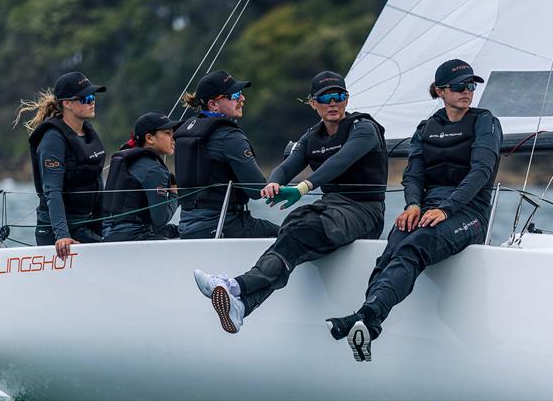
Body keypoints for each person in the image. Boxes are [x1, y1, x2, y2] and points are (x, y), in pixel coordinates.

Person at [325, 59, 502, 362]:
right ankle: (368, 323)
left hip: (469, 212)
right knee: (392, 249)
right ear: (440, 91)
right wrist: (413, 205)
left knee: (414, 245)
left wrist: (447, 209)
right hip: (429, 208)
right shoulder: (425, 128)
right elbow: (414, 175)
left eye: (471, 86)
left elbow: (481, 172)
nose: (467, 91)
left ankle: (366, 316)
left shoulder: (485, 122)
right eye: (459, 86)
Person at [193, 70, 388, 334]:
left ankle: (235, 285)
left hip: (365, 211)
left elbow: (340, 161)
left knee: (299, 233)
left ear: (347, 99)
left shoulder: (363, 128)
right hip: (331, 208)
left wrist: (304, 187)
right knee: (290, 231)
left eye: (339, 96)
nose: (333, 103)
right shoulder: (312, 136)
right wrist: (274, 183)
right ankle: (242, 306)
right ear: (313, 103)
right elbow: (287, 167)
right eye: (325, 98)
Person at [174, 70, 279, 239]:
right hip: (224, 225)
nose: (242, 98)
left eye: (241, 93)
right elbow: (256, 189)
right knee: (288, 234)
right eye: (234, 95)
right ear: (213, 105)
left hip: (187, 228)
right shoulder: (229, 135)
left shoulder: (185, 133)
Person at [15, 71, 107, 258]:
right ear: (67, 103)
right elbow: (52, 191)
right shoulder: (53, 139)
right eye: (86, 98)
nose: (92, 102)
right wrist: (62, 235)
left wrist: (104, 229)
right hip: (57, 233)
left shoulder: (89, 135)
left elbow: (98, 186)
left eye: (93, 97)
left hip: (84, 225)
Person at [101, 112, 181, 242]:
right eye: (167, 133)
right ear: (149, 138)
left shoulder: (130, 160)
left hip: (109, 233)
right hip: (133, 236)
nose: (173, 138)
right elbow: (160, 220)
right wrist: (174, 194)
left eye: (173, 133)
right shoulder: (154, 170)